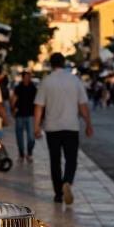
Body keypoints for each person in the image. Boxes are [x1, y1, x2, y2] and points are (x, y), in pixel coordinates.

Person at [34, 52, 93, 205]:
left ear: (51, 65)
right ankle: (67, 181)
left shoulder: (46, 82)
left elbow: (39, 106)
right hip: (71, 127)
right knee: (71, 158)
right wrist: (88, 124)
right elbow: (83, 105)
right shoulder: (74, 80)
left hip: (52, 127)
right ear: (64, 63)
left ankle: (58, 193)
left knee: (55, 160)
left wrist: (36, 127)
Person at [11, 70, 37, 162]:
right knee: (19, 136)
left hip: (30, 114)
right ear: (23, 78)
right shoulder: (18, 87)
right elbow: (14, 98)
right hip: (20, 115)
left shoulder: (33, 88)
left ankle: (29, 152)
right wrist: (13, 109)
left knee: (31, 137)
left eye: (28, 77)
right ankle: (21, 153)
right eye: (25, 77)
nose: (27, 79)